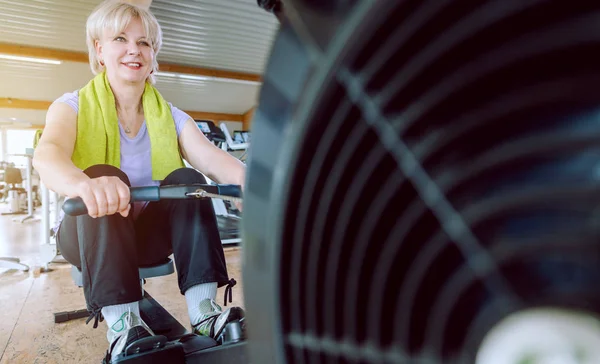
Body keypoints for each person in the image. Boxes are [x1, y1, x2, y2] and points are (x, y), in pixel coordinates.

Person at [32, 0, 246, 362]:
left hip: (146, 239)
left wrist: (259, 188)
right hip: (86, 235)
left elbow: (214, 160)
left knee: (188, 179)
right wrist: (85, 185)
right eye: (120, 38)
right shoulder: (72, 106)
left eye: (144, 42)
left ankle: (205, 313)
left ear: (153, 55)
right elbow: (48, 154)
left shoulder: (171, 116)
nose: (134, 49)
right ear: (100, 50)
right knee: (104, 175)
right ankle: (122, 327)